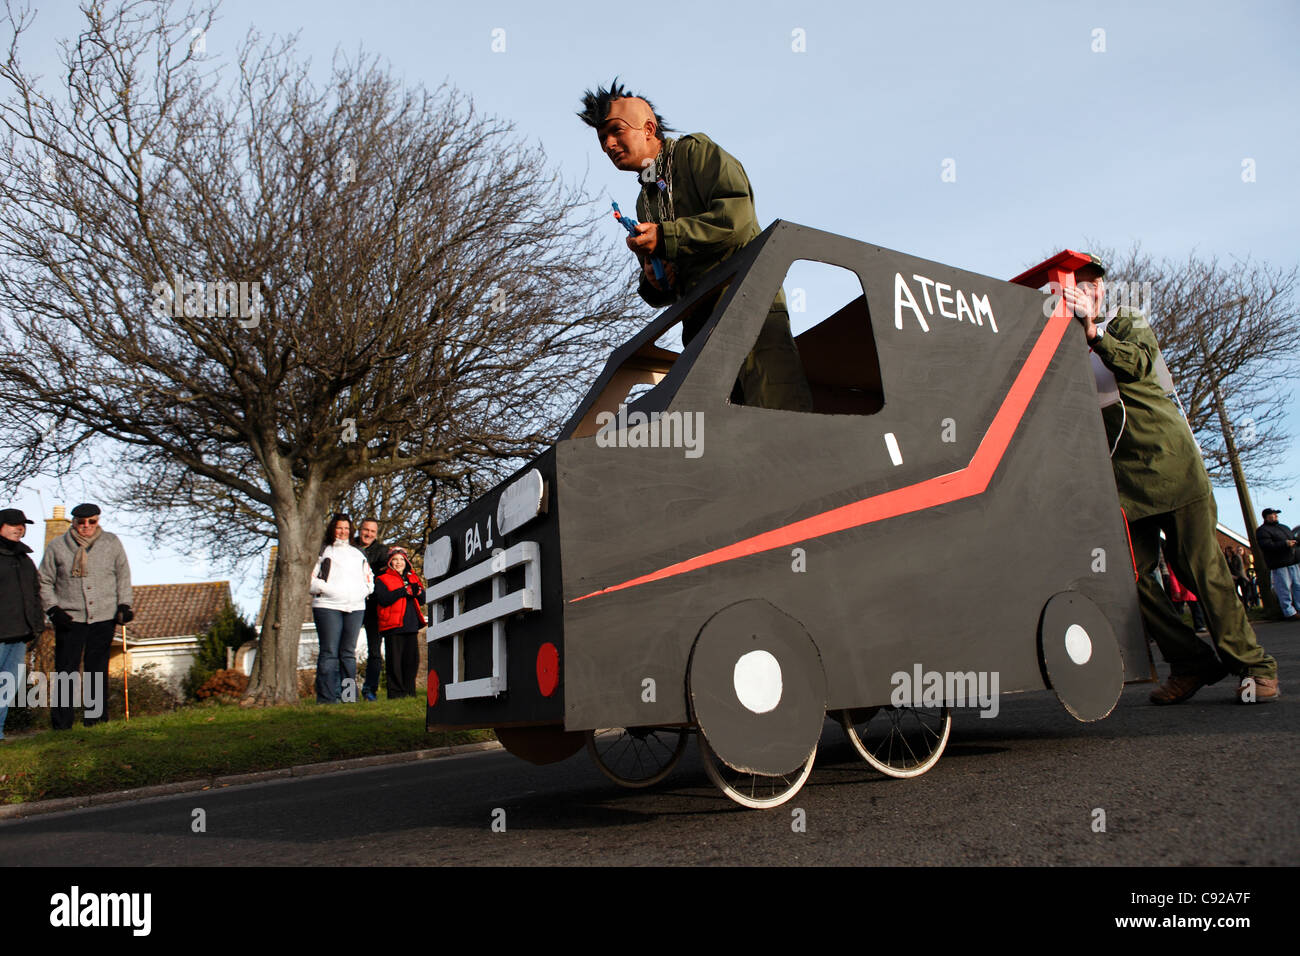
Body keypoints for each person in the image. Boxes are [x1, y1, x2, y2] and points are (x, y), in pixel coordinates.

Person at [1063, 261, 1278, 703]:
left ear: (1101, 289)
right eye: (1070, 287)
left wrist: (1094, 333)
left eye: (1087, 285)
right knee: (1127, 578)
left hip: (1171, 467)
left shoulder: (1125, 323)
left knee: (1200, 570)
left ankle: (1254, 667)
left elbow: (1140, 364)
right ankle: (1192, 662)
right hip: (1122, 483)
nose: (1081, 293)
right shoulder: (1061, 345)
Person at [578, 79, 813, 411]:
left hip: (750, 307)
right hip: (700, 330)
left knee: (779, 415)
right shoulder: (643, 203)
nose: (608, 145)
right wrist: (654, 278)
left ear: (648, 128)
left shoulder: (694, 153)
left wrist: (666, 237)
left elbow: (736, 218)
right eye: (602, 139)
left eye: (616, 131)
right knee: (722, 439)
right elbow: (664, 284)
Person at [37, 503, 133, 728]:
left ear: (98, 521)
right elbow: (44, 580)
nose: (86, 527)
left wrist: (124, 605)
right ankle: (62, 724)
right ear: (73, 522)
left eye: (92, 522)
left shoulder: (111, 542)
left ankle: (96, 720)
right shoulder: (57, 546)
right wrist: (53, 609)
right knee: (66, 670)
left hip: (103, 615)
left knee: (97, 669)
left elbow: (123, 576)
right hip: (69, 618)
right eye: (81, 522)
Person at [309, 513, 373, 704]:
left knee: (348, 653)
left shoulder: (358, 553)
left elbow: (369, 579)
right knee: (329, 652)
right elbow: (310, 580)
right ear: (332, 529)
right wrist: (328, 590)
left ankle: (348, 697)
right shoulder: (323, 550)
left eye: (346, 528)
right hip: (327, 606)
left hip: (355, 607)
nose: (343, 532)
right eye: (339, 528)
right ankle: (327, 698)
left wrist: (364, 592)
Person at [0, 508, 42, 740]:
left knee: (6, 688)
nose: (20, 528)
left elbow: (35, 595)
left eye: (23, 525)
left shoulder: (26, 561)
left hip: (19, 635)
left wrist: (36, 626)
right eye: (13, 524)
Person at [372, 547, 426, 699]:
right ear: (390, 562)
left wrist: (419, 592)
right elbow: (383, 599)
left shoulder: (413, 577)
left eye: (401, 559)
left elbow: (423, 599)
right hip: (393, 625)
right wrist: (404, 591)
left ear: (406, 561)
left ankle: (410, 691)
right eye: (395, 559)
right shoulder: (382, 578)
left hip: (411, 623)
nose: (398, 562)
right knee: (394, 661)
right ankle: (395, 693)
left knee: (412, 660)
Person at [355, 518, 388, 701]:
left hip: (374, 606)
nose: (368, 534)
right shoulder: (349, 548)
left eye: (372, 532)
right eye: (365, 530)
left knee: (375, 651)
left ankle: (370, 690)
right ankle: (347, 690)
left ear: (376, 534)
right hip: (352, 603)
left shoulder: (382, 552)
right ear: (360, 530)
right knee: (346, 649)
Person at [1256, 508, 1300, 620]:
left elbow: (1293, 539)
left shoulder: (1284, 527)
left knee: (1297, 586)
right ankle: (1289, 612)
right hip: (1279, 563)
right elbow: (1266, 545)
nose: (1275, 516)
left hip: (1292, 561)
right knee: (1284, 588)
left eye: (1276, 514)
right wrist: (1285, 544)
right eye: (1273, 514)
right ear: (1266, 517)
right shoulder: (1262, 531)